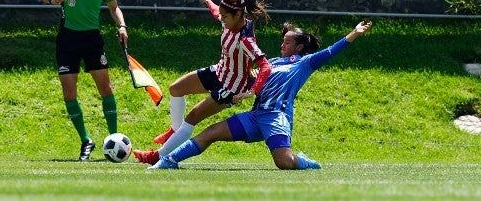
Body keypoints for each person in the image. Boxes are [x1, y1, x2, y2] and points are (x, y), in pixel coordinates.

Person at [144, 20, 373, 170]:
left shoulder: (305, 63)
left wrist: (354, 33)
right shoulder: (272, 62)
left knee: (284, 163)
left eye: (288, 42)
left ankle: (302, 161)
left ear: (300, 47)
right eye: (283, 41)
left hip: (276, 117)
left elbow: (331, 51)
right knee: (210, 132)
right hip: (255, 116)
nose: (282, 44)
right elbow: (252, 78)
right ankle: (169, 160)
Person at [133, 0, 273, 165]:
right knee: (176, 88)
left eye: (225, 17)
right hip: (219, 71)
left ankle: (157, 156)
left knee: (191, 118)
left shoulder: (245, 40)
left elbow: (265, 66)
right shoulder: (229, 19)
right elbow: (217, 12)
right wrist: (207, 0)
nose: (221, 19)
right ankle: (175, 130)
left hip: (230, 87)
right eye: (222, 16)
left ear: (239, 15)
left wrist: (252, 91)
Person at [40, 0, 128, 162]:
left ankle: (114, 138)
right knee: (69, 92)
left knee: (105, 89)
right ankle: (86, 140)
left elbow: (114, 7)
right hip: (67, 40)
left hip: (92, 40)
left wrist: (122, 25)